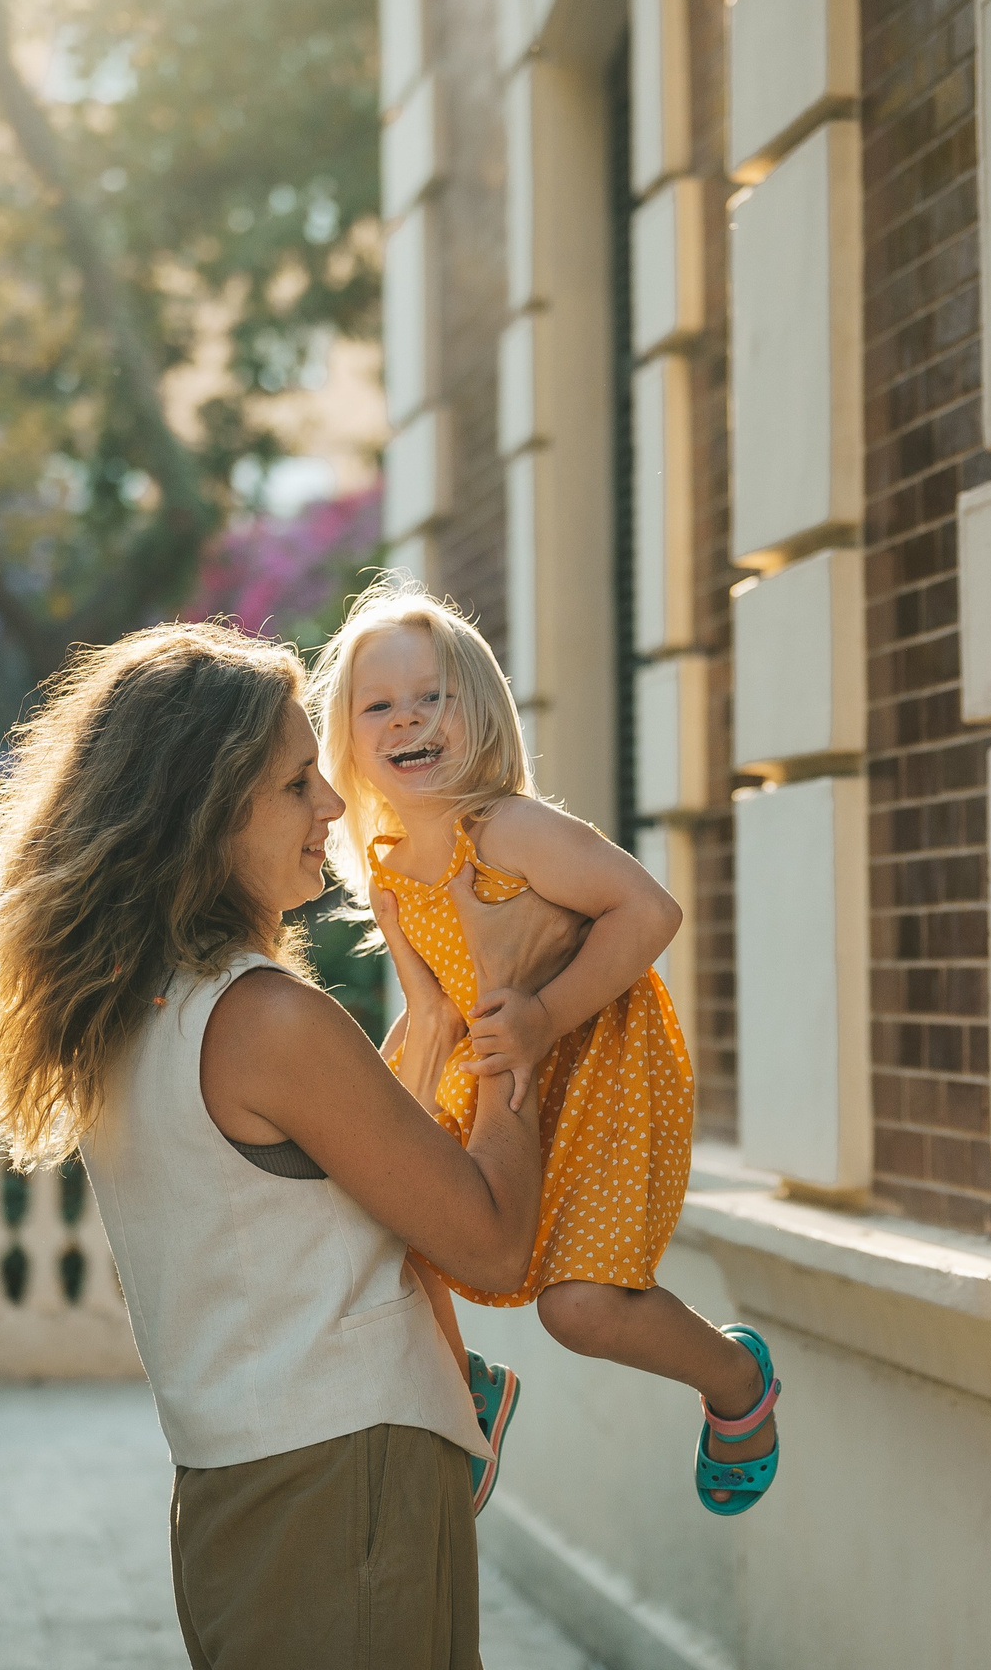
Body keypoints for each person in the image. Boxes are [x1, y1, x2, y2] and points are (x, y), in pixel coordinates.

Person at [0, 620, 584, 1669]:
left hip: (233, 1487)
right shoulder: (267, 1021)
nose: (330, 804)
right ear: (204, 815)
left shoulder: (130, 1010)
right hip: (341, 1483)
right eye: (293, 783)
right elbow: (491, 1243)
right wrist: (515, 1012)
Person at [306, 580, 783, 1517]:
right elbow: (430, 1010)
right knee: (389, 1218)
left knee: (582, 1310)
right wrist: (379, 1104)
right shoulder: (395, 866)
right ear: (350, 741)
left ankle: (737, 1381)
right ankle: (466, 1384)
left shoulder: (509, 829)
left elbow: (650, 911)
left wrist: (545, 1016)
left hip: (598, 1060)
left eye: (430, 695)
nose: (407, 718)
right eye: (379, 705)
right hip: (494, 1063)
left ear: (477, 709)